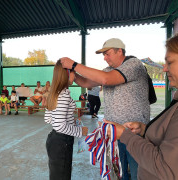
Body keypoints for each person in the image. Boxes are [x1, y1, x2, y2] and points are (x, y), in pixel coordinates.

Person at [60, 38, 150, 180]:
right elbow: (86, 82)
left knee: (138, 173)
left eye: (107, 54)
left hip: (134, 132)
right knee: (119, 173)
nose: (104, 58)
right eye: (103, 55)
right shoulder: (108, 70)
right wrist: (74, 75)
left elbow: (106, 79)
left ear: (119, 51)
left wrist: (74, 65)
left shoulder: (134, 64)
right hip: (113, 133)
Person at [104, 34, 178, 180]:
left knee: (133, 167)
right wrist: (144, 129)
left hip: (128, 136)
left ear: (120, 52)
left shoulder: (134, 64)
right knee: (121, 170)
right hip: (129, 133)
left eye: (169, 62)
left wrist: (125, 135)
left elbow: (165, 168)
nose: (164, 69)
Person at [44, 60, 88, 180]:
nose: (75, 76)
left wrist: (69, 120)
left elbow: (48, 118)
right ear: (67, 74)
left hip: (55, 140)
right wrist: (80, 131)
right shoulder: (63, 94)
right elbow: (59, 125)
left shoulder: (55, 92)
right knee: (62, 176)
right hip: (61, 142)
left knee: (57, 175)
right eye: (74, 73)